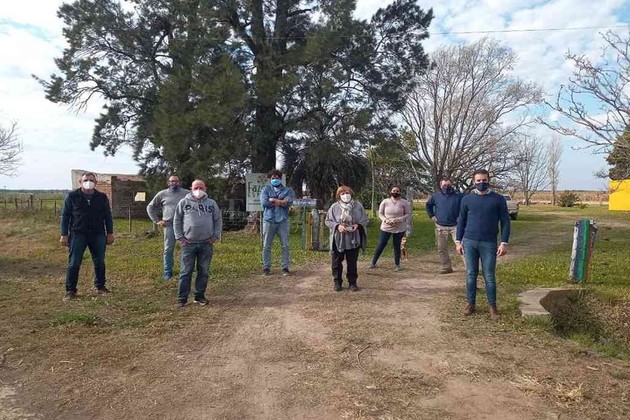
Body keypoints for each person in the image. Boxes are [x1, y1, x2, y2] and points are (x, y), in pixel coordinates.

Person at [455, 169, 510, 319]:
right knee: (470, 274)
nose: (481, 183)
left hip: (489, 243)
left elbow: (505, 222)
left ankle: (492, 307)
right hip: (469, 242)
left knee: (489, 276)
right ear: (473, 182)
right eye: (478, 180)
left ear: (488, 180)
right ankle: (470, 304)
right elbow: (461, 221)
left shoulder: (498, 199)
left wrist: (504, 242)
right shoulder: (467, 199)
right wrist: (458, 242)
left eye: (484, 180)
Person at [60, 172, 115, 301]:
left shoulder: (102, 197)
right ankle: (70, 291)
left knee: (99, 262)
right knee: (74, 263)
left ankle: (100, 287)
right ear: (80, 182)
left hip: (98, 234)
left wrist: (110, 233)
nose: (88, 182)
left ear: (95, 183)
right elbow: (65, 216)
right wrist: (64, 234)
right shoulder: (72, 196)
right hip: (78, 233)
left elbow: (108, 216)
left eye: (91, 180)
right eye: (85, 180)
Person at [173, 179, 222, 307]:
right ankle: (182, 298)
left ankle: (199, 296)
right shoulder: (183, 202)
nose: (198, 190)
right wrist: (180, 237)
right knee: (186, 271)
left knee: (203, 271)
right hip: (188, 244)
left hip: (206, 243)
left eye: (201, 187)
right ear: (191, 189)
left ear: (205, 189)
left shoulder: (211, 203)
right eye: (196, 188)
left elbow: (218, 220)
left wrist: (215, 236)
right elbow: (177, 221)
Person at [146, 175, 190, 280]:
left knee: (187, 248)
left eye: (176, 181)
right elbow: (150, 207)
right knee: (168, 249)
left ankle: (186, 270)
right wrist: (157, 221)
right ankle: (167, 271)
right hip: (169, 224)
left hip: (184, 224)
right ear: (168, 183)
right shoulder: (162, 194)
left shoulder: (187, 194)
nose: (174, 183)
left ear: (180, 182)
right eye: (172, 181)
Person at [325, 186, 369, 292]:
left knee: (352, 262)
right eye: (342, 193)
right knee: (336, 262)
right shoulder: (334, 207)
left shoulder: (358, 206)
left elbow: (365, 219)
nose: (345, 195)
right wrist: (337, 226)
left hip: (353, 239)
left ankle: (352, 283)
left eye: (347, 193)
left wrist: (358, 225)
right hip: (338, 238)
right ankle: (337, 282)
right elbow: (328, 221)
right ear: (339, 195)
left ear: (351, 193)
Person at [260, 169, 295, 276]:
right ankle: (266, 267)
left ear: (280, 179)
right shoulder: (265, 189)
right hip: (269, 220)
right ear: (270, 179)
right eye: (273, 178)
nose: (275, 180)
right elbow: (265, 203)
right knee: (266, 245)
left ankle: (285, 267)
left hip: (283, 221)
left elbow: (289, 203)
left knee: (285, 245)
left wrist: (274, 200)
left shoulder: (288, 190)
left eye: (277, 178)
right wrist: (282, 201)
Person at [425, 177, 464, 274]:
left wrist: (461, 218)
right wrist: (431, 216)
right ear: (440, 186)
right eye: (444, 185)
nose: (446, 187)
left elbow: (465, 208)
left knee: (463, 248)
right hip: (440, 227)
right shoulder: (436, 196)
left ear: (452, 185)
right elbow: (428, 205)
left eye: (448, 185)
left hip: (456, 226)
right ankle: (446, 267)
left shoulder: (459, 196)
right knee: (442, 248)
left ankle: (470, 268)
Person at [370, 186, 411, 272]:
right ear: (390, 192)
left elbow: (407, 214)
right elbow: (380, 213)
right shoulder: (385, 201)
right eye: (394, 191)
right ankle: (373, 262)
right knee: (381, 244)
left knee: (397, 245)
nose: (395, 192)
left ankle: (397, 265)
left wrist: (399, 219)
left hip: (399, 227)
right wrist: (386, 220)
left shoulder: (404, 202)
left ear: (400, 192)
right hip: (386, 227)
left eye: (397, 191)